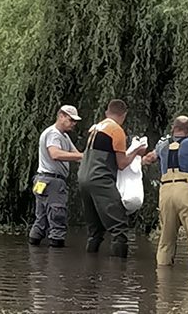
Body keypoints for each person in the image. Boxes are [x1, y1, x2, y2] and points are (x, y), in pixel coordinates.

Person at [142, 116, 188, 271]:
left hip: (166, 191)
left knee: (166, 238)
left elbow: (148, 159)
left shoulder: (162, 145)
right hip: (186, 189)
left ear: (173, 128)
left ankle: (162, 275)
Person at [78, 99, 145, 258]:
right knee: (119, 227)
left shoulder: (95, 128)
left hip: (83, 178)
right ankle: (119, 275)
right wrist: (136, 151)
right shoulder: (116, 131)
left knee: (95, 230)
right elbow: (121, 164)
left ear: (107, 112)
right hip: (100, 179)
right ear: (124, 115)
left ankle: (91, 267)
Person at [27, 105, 83, 248]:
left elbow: (76, 155)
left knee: (42, 218)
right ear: (61, 116)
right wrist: (83, 156)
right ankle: (56, 261)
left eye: (75, 121)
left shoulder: (64, 136)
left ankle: (33, 252)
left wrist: (87, 157)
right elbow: (55, 154)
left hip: (43, 180)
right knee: (58, 218)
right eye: (71, 120)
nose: (73, 124)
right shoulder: (54, 134)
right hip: (53, 181)